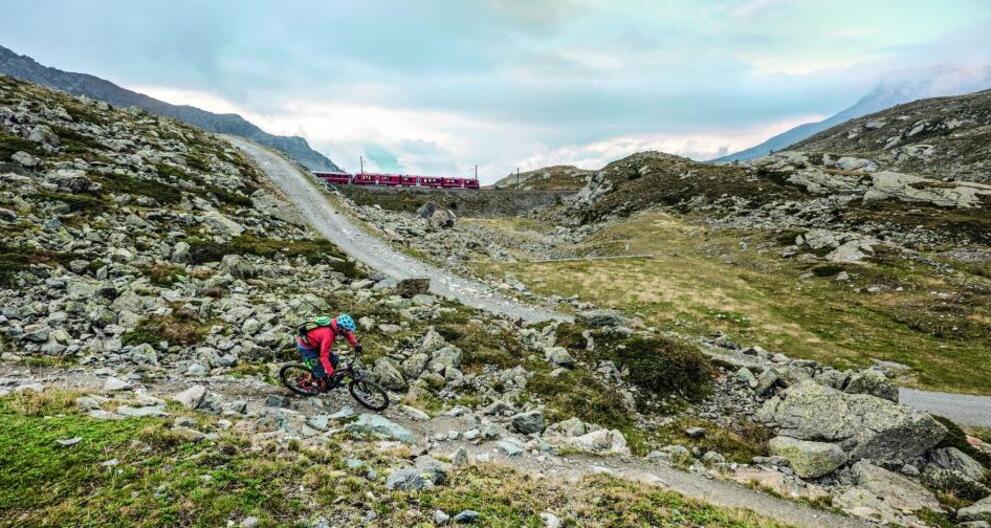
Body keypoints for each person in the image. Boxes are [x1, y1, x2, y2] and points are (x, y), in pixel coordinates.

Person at [297, 314, 362, 392]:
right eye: (347, 329)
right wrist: (331, 372)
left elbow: (347, 333)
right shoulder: (328, 335)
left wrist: (356, 344)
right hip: (307, 348)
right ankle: (306, 383)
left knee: (334, 360)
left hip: (317, 344)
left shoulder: (336, 324)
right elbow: (324, 357)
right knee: (319, 372)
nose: (348, 332)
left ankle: (330, 379)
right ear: (340, 328)